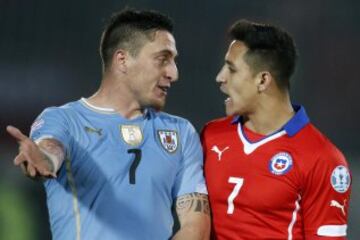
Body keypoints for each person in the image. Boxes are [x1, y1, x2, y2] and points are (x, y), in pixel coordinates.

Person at [7, 9, 210, 240]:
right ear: (122, 60)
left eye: (174, 61)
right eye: (163, 59)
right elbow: (51, 148)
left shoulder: (181, 132)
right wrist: (44, 159)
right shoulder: (65, 120)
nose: (174, 73)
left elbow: (196, 227)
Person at [202, 19, 351, 239]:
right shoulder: (211, 136)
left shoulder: (323, 159)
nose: (220, 77)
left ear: (263, 80)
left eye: (231, 69)